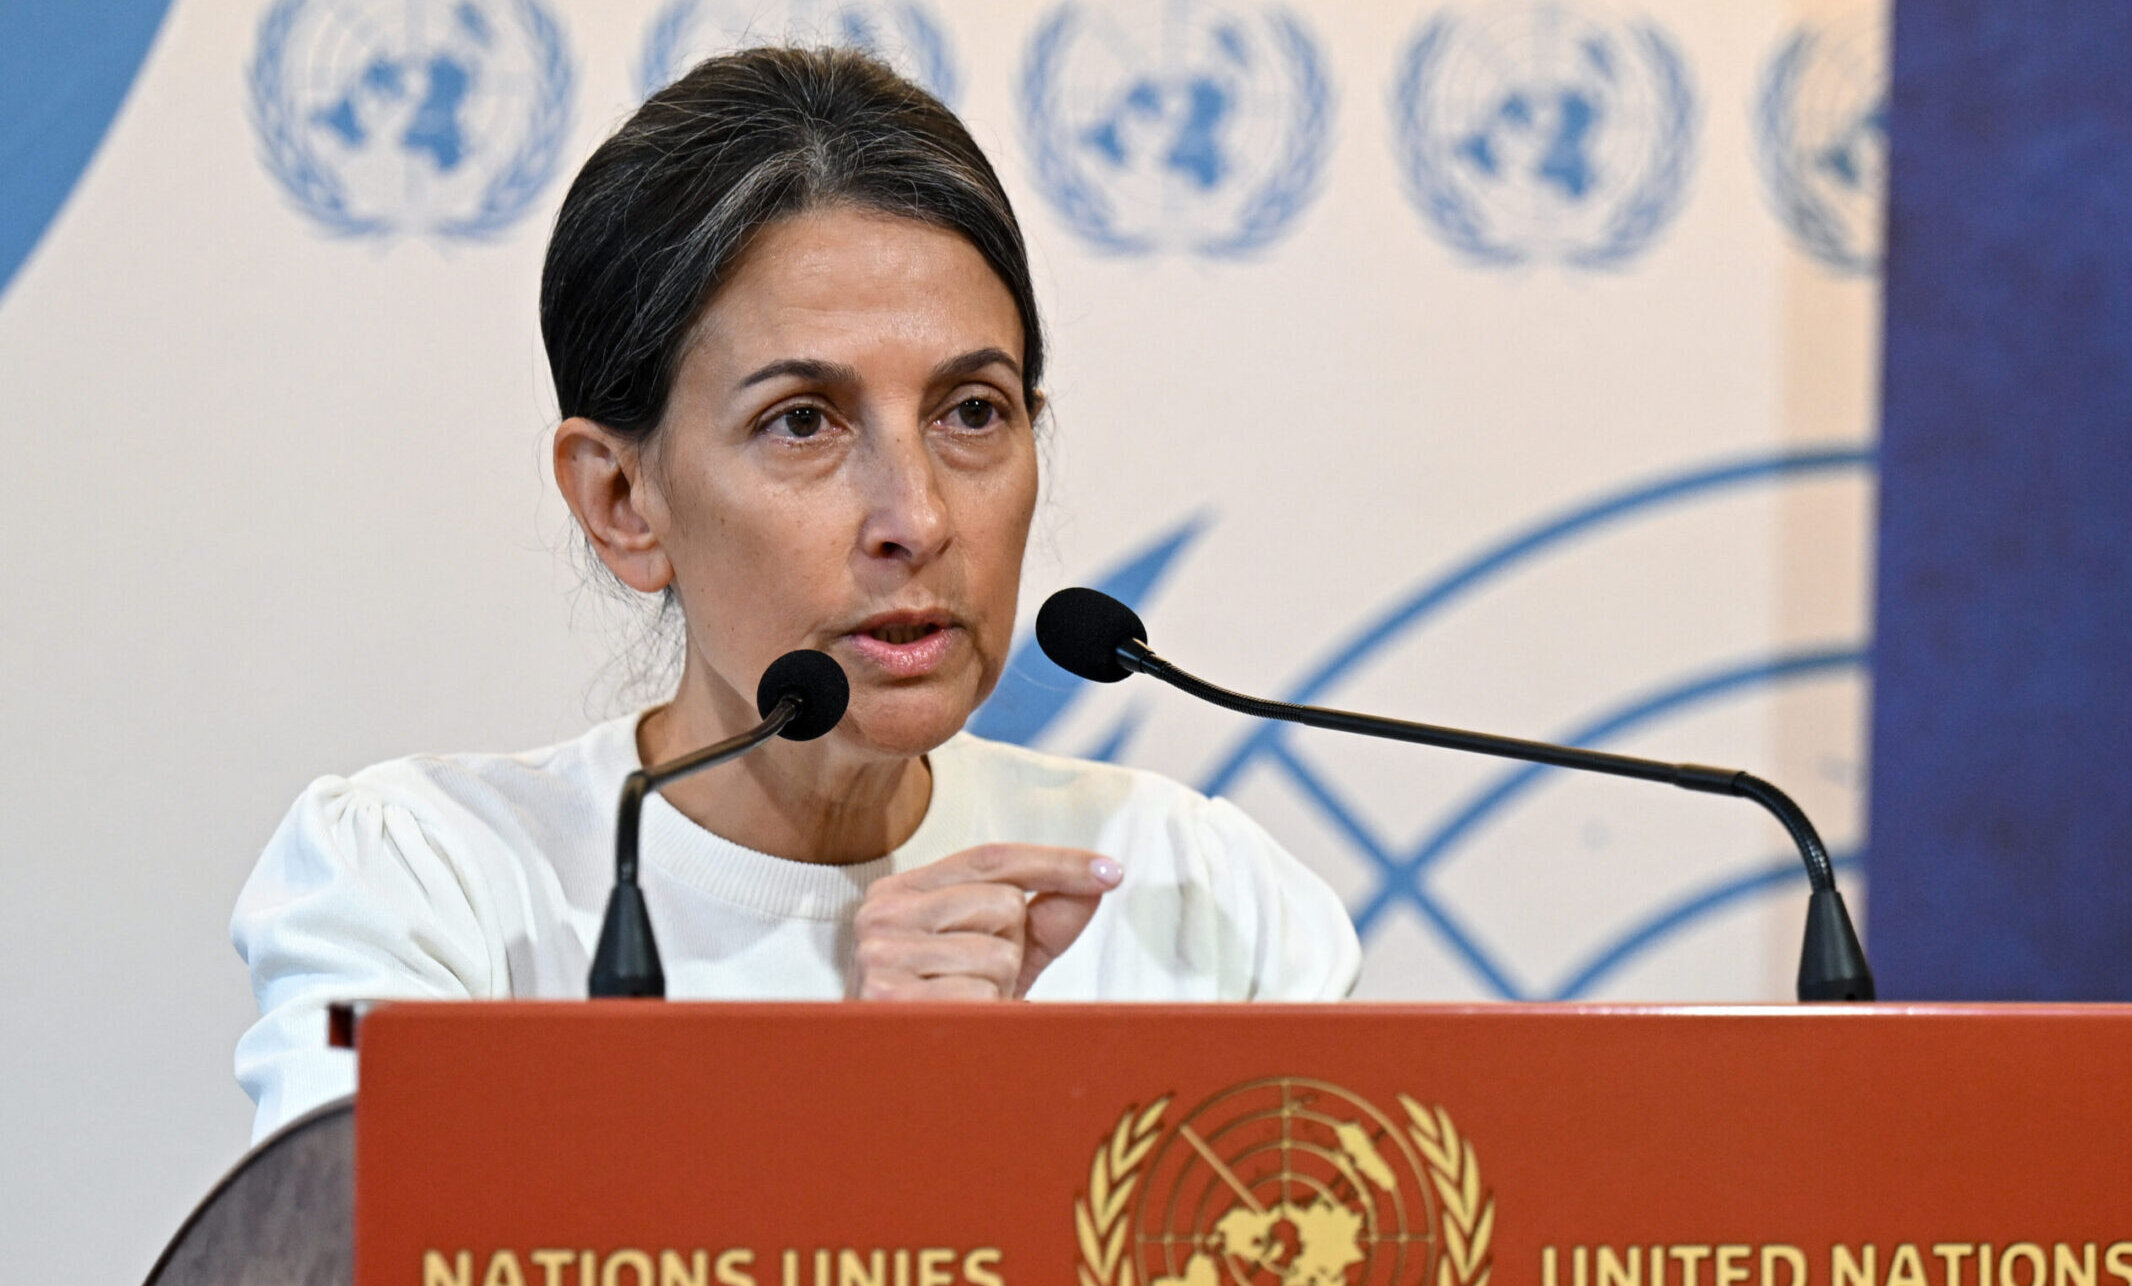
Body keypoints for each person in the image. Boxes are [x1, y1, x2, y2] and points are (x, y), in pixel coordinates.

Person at [230, 46, 1358, 1142]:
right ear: (623, 499)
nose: (915, 518)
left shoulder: (1197, 899)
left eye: (972, 411)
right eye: (803, 423)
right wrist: (852, 1107)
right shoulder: (431, 887)